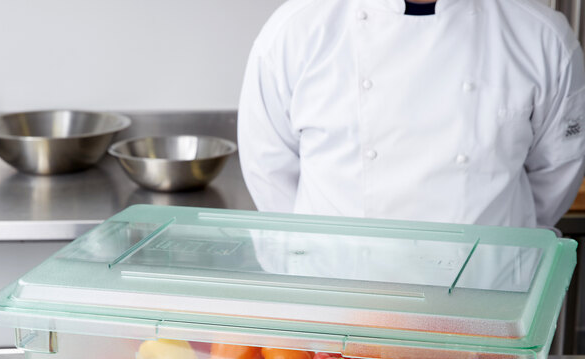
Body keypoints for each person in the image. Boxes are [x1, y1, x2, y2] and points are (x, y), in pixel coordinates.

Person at [237, 0, 585, 228]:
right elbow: (268, 173)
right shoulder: (294, 32)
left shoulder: (543, 37)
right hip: (340, 303)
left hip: (485, 303)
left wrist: (494, 254)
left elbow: (557, 173)